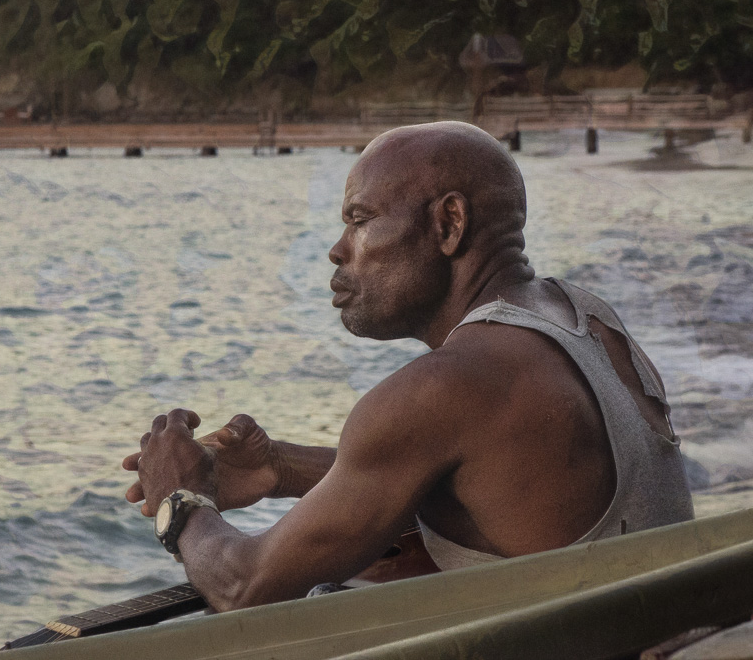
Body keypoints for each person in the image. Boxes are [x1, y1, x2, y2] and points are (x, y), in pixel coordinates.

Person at [122, 121, 694, 612]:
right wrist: (280, 468)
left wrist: (180, 501)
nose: (338, 249)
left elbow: (242, 584)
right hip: (658, 630)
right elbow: (483, 481)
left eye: (360, 219)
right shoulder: (588, 318)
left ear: (449, 223)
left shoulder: (449, 386)